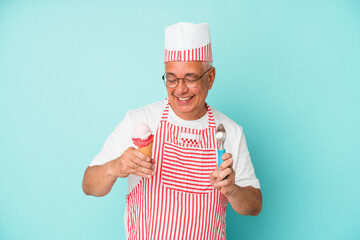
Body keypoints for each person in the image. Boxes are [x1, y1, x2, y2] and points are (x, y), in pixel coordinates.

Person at [82, 22, 262, 239]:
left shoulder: (229, 131)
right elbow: (89, 185)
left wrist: (233, 190)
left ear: (210, 77)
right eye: (171, 78)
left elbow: (254, 206)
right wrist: (115, 167)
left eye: (191, 78)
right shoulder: (140, 120)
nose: (180, 89)